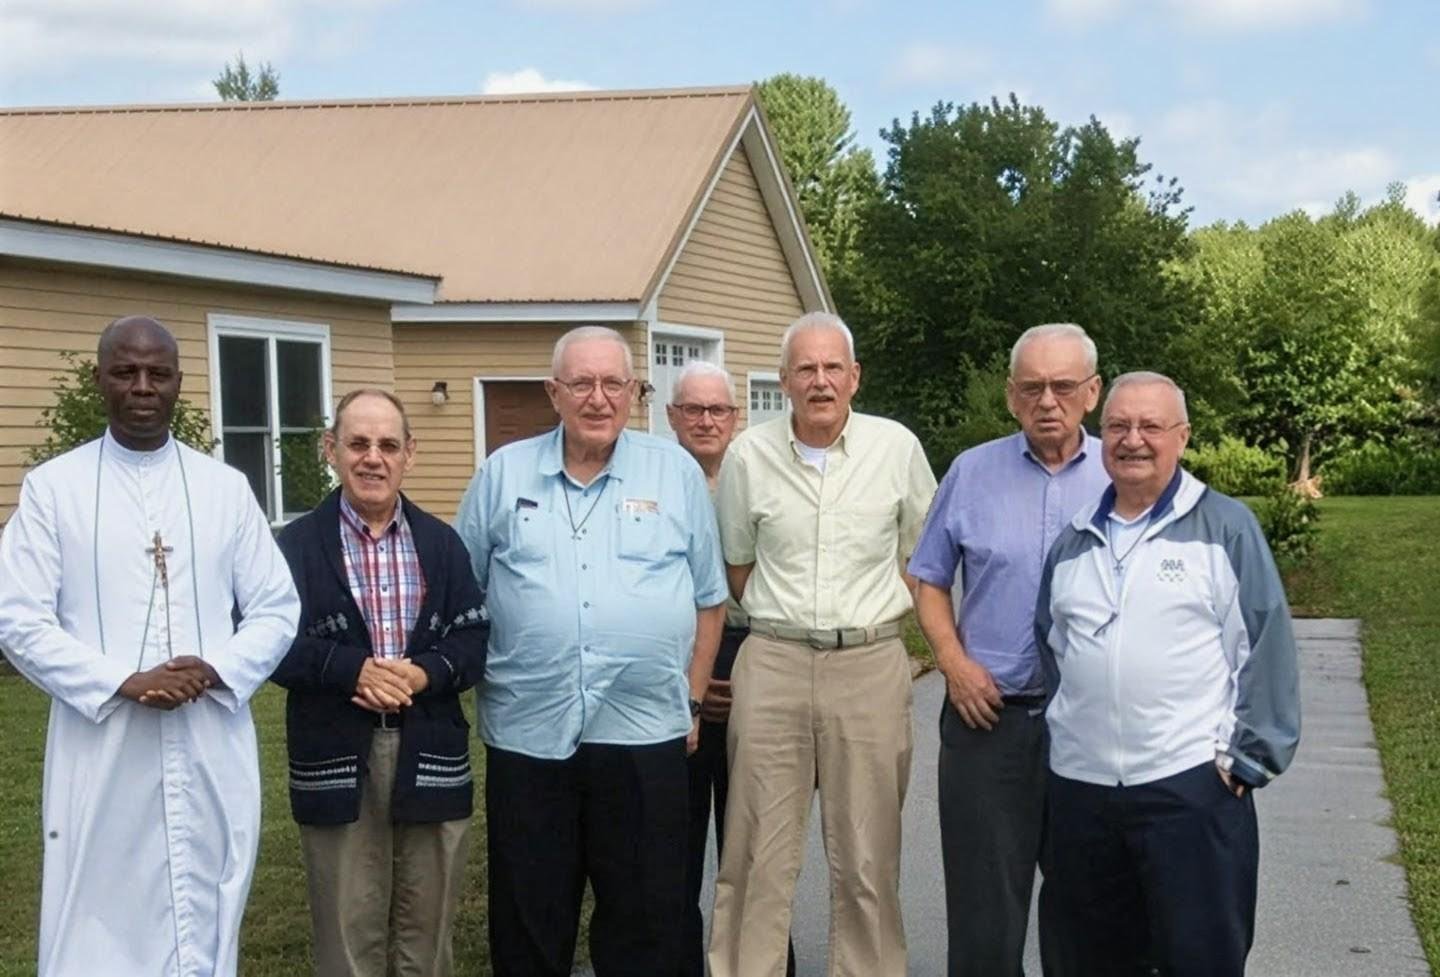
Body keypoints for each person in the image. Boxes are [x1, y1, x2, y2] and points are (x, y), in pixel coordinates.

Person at [0, 315, 300, 977]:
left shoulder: (225, 489)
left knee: (209, 899)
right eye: (125, 371)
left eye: (157, 373)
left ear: (178, 383)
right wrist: (120, 680)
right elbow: (17, 617)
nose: (142, 386)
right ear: (100, 378)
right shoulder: (54, 490)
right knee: (98, 910)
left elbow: (277, 607)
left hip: (208, 740)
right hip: (100, 746)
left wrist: (216, 667)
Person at [456, 326, 728, 977]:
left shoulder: (675, 473)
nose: (599, 398)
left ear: (635, 391)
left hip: (644, 736)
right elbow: (461, 591)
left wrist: (691, 699)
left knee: (646, 924)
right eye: (582, 382)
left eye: (614, 383)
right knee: (529, 921)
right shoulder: (502, 475)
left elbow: (709, 598)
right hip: (528, 736)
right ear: (554, 392)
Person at [1035, 371, 1302, 977]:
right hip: (1082, 796)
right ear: (1100, 437)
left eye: (1151, 426)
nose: (1133, 440)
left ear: (1181, 437)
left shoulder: (1226, 529)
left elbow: (1265, 646)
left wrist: (1249, 757)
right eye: (1119, 426)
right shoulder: (1074, 542)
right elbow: (1052, 649)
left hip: (1189, 792)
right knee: (1085, 962)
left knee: (1199, 959)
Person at [709, 312, 937, 977]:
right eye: (805, 368)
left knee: (867, 855)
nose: (819, 380)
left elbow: (922, 558)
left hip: (868, 663)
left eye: (832, 366)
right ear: (784, 380)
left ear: (854, 376)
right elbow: (738, 565)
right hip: (773, 659)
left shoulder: (896, 448)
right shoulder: (748, 455)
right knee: (754, 853)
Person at [908, 322, 1108, 976]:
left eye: (1063, 385)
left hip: (1093, 727)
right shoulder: (971, 472)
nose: (1047, 400)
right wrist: (953, 663)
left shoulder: (1125, 475)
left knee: (1091, 908)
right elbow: (929, 578)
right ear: (1010, 396)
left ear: (1092, 392)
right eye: (1032, 388)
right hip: (985, 719)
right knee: (984, 919)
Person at [272, 389, 488, 977]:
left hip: (430, 749)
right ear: (331, 450)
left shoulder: (442, 545)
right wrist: (350, 671)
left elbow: (473, 639)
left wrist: (423, 673)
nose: (373, 458)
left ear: (409, 455)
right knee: (348, 927)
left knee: (429, 928)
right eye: (358, 443)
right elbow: (263, 643)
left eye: (388, 445)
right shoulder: (292, 547)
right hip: (336, 750)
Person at [665, 361, 796, 977]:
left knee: (755, 838)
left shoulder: (762, 475)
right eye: (693, 409)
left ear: (736, 416)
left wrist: (746, 674)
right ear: (673, 417)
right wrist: (690, 679)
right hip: (677, 667)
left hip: (758, 656)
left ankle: (765, 963)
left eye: (718, 410)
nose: (707, 420)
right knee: (676, 842)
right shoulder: (656, 481)